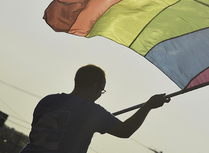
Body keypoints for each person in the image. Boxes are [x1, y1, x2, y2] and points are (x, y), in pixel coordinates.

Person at [20, 64, 170, 153]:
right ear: (95, 87)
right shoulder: (90, 111)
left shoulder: (47, 100)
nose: (99, 95)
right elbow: (125, 131)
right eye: (101, 91)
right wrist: (149, 106)